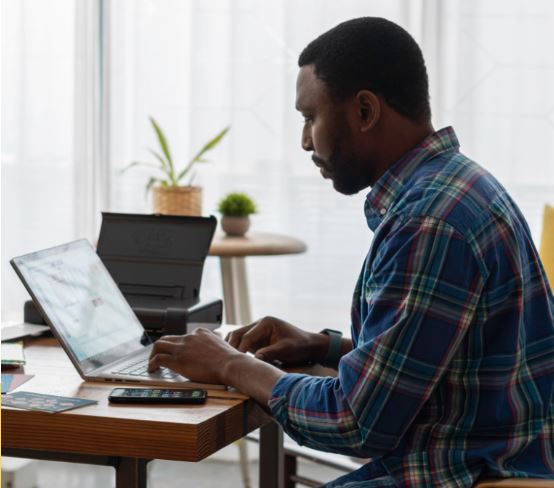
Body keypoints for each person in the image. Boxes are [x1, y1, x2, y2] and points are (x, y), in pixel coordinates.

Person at [149, 17, 554, 487]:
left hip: (460, 474)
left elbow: (357, 421)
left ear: (364, 111)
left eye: (309, 117)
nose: (304, 141)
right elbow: (447, 364)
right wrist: (327, 346)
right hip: (488, 460)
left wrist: (229, 364)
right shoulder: (459, 186)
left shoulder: (429, 221)